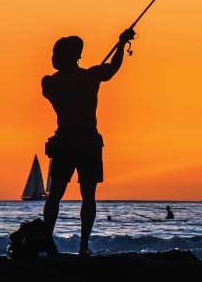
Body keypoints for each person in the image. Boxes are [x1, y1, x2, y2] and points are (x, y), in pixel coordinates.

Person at [41, 29, 135, 256]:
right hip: (86, 142)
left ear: (67, 56)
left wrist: (120, 46)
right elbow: (112, 68)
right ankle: (82, 246)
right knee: (86, 195)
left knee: (57, 194)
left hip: (68, 142)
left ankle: (52, 242)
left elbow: (108, 70)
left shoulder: (50, 82)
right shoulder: (90, 77)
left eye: (56, 53)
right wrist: (121, 44)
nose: (53, 57)